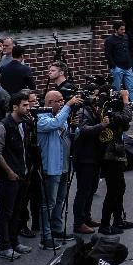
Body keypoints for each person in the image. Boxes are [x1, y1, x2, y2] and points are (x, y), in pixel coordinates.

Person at [0, 93, 34, 261]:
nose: (28, 108)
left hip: (22, 173)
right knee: (6, 211)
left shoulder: (24, 124)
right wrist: (8, 171)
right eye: (24, 105)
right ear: (15, 107)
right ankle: (4, 246)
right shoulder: (3, 126)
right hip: (9, 175)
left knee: (18, 210)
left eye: (28, 105)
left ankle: (14, 242)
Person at [36, 90, 81, 249]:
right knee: (49, 202)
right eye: (59, 101)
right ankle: (45, 236)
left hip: (64, 165)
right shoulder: (41, 118)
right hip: (51, 166)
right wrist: (68, 106)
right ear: (49, 103)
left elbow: (67, 135)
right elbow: (53, 125)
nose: (62, 103)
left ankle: (57, 229)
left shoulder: (61, 117)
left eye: (63, 100)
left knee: (60, 200)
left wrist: (74, 127)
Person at [70, 91, 107, 234]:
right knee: (83, 191)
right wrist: (102, 125)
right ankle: (78, 222)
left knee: (91, 190)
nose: (97, 98)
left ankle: (87, 217)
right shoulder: (81, 110)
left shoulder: (94, 109)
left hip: (94, 155)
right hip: (85, 157)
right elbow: (83, 130)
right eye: (94, 95)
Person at [99, 95, 133, 233]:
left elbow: (125, 125)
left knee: (120, 188)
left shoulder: (114, 112)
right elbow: (127, 117)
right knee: (113, 190)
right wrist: (125, 100)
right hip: (110, 156)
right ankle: (105, 224)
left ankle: (118, 220)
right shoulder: (108, 111)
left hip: (117, 155)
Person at [104, 21, 133, 99]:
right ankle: (116, 105)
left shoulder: (126, 37)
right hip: (118, 67)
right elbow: (108, 55)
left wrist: (130, 61)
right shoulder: (110, 40)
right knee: (116, 89)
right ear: (116, 30)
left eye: (124, 29)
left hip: (128, 66)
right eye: (121, 29)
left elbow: (129, 49)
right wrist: (114, 66)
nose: (123, 31)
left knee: (131, 87)